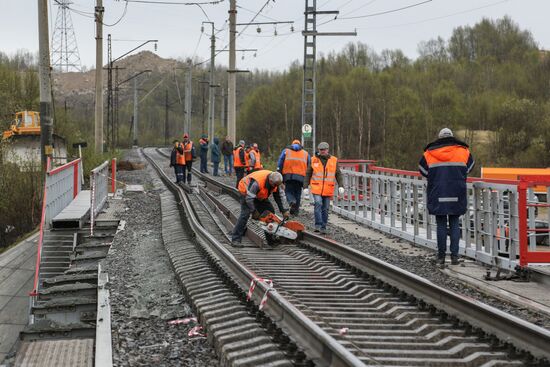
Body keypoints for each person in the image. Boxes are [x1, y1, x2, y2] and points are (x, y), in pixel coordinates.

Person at [419, 128, 474, 266]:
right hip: (457, 192)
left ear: (439, 138)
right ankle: (455, 257)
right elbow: (469, 168)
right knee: (455, 223)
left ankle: (441, 257)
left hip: (438, 193)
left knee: (441, 224)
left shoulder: (429, 153)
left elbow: (423, 171)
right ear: (452, 137)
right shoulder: (464, 151)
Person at [231, 170, 289, 246]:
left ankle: (270, 241)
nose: (276, 187)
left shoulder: (275, 182)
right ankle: (235, 239)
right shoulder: (257, 183)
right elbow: (249, 199)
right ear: (270, 181)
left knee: (270, 214)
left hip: (259, 195)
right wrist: (254, 211)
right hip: (245, 192)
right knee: (245, 214)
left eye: (277, 185)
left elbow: (278, 197)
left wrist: (284, 210)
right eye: (274, 185)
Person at [303, 142, 344, 234]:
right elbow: (308, 174)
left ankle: (323, 226)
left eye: (324, 149)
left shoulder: (334, 160)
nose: (322, 151)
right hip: (316, 188)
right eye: (321, 150)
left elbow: (338, 174)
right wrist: (305, 186)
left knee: (325, 208)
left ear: (327, 150)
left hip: (328, 189)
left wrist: (341, 185)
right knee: (318, 203)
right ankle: (318, 225)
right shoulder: (313, 160)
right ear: (318, 150)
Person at [277, 139, 310, 215]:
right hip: (301, 176)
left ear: (292, 144)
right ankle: (296, 211)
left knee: (288, 190)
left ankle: (291, 202)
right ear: (300, 145)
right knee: (298, 192)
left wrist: (279, 172)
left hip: (288, 176)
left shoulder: (286, 151)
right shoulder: (305, 153)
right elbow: (309, 165)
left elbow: (280, 162)